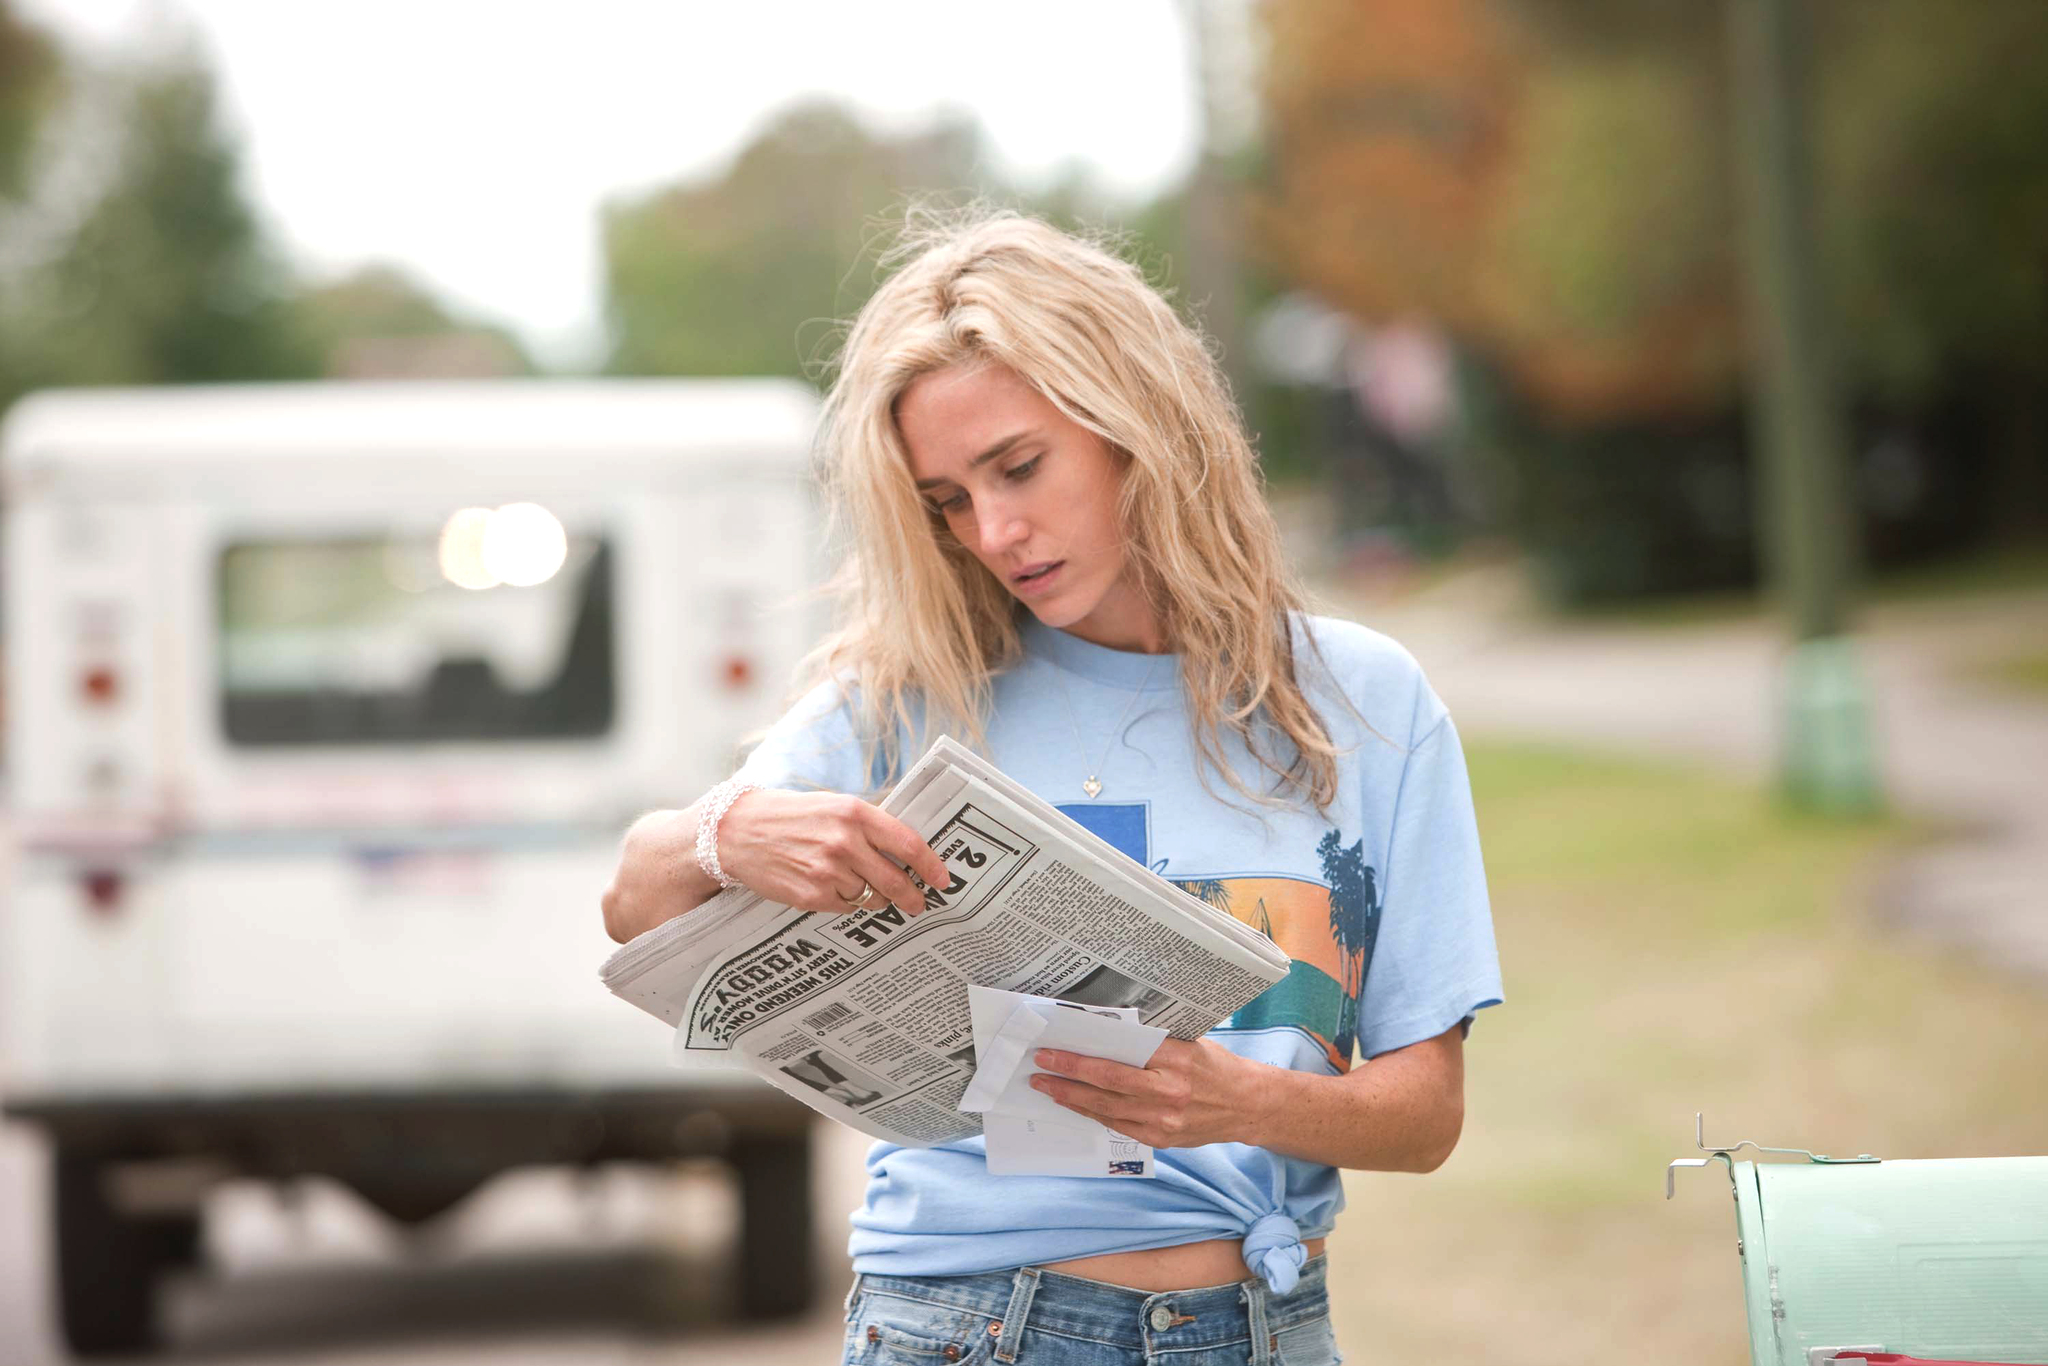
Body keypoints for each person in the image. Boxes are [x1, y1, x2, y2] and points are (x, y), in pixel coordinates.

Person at [600, 207, 1503, 1366]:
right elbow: (632, 897)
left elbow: (1425, 1115)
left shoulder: (1367, 702)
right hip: (967, 1326)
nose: (996, 531)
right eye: (948, 501)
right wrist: (726, 833)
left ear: (1134, 422)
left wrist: (1230, 1102)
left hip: (1267, 1326)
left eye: (1018, 467)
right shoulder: (909, 695)